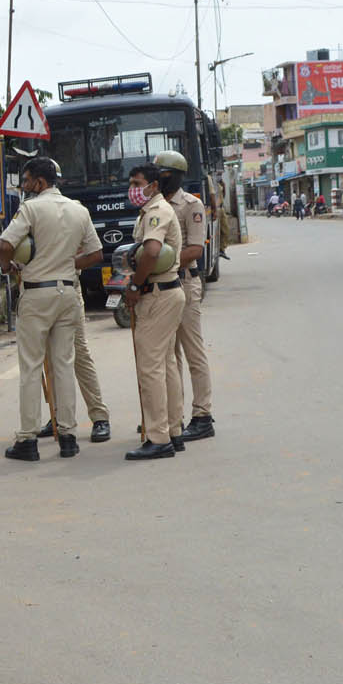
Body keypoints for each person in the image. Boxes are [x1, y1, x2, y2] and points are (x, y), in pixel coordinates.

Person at [0, 158, 100, 461]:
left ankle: (28, 439)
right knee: (64, 364)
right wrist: (69, 265)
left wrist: (9, 267)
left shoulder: (30, 208)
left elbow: (5, 244)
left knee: (31, 367)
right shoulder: (78, 210)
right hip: (67, 292)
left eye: (28, 181)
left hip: (36, 294)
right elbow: (95, 253)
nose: (25, 186)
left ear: (40, 183)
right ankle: (67, 436)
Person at [122, 163, 185, 461]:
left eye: (137, 182)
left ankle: (158, 437)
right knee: (166, 363)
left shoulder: (156, 211)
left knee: (150, 366)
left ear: (154, 186)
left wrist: (135, 285)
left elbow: (151, 252)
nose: (133, 188)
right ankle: (173, 430)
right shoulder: (150, 210)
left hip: (158, 293)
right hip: (167, 291)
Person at [155, 150, 214, 442]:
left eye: (163, 174)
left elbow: (195, 250)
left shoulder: (192, 205)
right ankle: (171, 418)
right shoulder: (154, 205)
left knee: (193, 352)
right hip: (160, 288)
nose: (159, 178)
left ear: (176, 175)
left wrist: (159, 263)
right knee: (168, 355)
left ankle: (202, 414)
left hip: (184, 282)